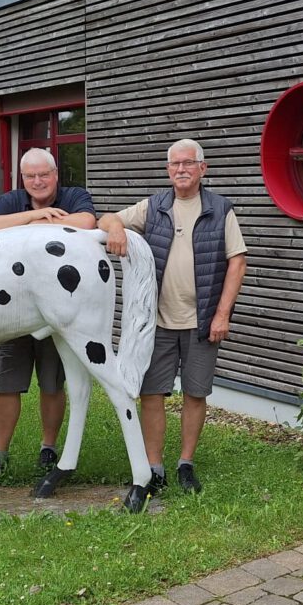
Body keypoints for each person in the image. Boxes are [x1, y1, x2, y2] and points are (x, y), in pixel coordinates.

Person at [98, 138, 247, 494]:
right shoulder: (154, 207)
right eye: (175, 165)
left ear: (202, 168)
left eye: (188, 163)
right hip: (158, 322)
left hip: (202, 321)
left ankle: (186, 464)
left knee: (195, 394)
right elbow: (107, 218)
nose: (181, 169)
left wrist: (222, 314)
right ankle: (154, 467)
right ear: (168, 170)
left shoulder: (220, 208)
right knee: (152, 393)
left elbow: (237, 261)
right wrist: (117, 228)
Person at [0, 148, 97, 487]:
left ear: (56, 174)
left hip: (57, 308)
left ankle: (48, 449)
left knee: (52, 383)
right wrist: (31, 218)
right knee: (7, 384)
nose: (38, 182)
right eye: (30, 176)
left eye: (44, 174)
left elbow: (86, 222)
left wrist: (40, 222)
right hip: (12, 307)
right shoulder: (13, 201)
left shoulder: (75, 195)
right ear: (22, 179)